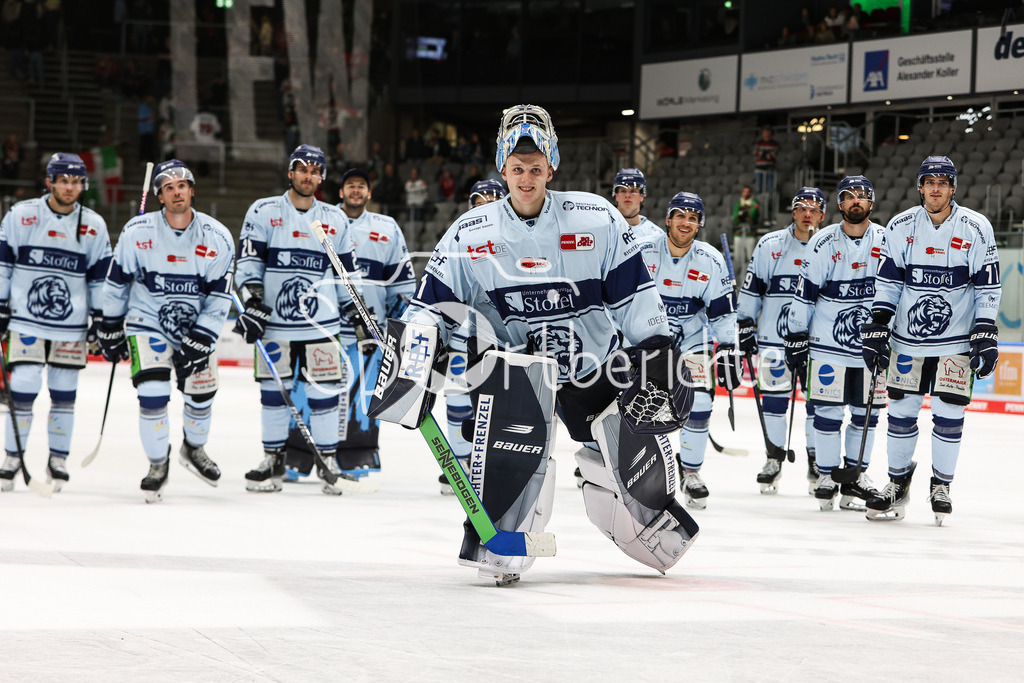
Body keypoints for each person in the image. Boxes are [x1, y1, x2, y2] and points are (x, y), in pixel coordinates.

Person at [370, 104, 698, 585]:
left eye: (536, 168)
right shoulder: (470, 233)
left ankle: (645, 519)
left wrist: (656, 353)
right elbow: (430, 307)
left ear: (552, 166)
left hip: (593, 366)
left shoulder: (597, 219)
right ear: (503, 167)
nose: (527, 178)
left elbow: (637, 297)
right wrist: (414, 354)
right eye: (518, 168)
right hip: (518, 373)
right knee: (505, 513)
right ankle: (504, 532)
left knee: (654, 533)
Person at [860, 156, 1001, 525]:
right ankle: (896, 483)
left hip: (955, 342)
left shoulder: (976, 226)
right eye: (929, 181)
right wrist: (878, 324)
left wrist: (985, 330)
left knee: (950, 413)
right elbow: (889, 282)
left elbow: (988, 283)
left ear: (953, 188)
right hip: (907, 342)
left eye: (943, 181)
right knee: (901, 413)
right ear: (920, 186)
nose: (936, 187)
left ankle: (941, 485)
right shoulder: (900, 225)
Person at [98, 159, 234, 502]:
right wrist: (110, 325)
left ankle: (194, 448)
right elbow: (116, 284)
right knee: (153, 393)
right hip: (148, 323)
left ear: (192, 190)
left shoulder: (217, 237)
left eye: (182, 185)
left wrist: (203, 336)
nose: (177, 192)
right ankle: (158, 464)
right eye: (169, 187)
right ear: (159, 195)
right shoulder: (136, 232)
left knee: (201, 395)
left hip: (196, 325)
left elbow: (220, 296)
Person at [234, 144, 362, 495]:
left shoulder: (334, 219)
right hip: (275, 326)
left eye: (315, 170)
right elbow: (247, 266)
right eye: (302, 169)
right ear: (290, 172)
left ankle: (327, 461)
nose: (309, 176)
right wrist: (253, 303)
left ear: (321, 177)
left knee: (325, 394)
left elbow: (345, 275)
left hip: (322, 326)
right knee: (273, 394)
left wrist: (355, 310)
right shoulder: (263, 211)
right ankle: (273, 459)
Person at [0, 154, 111, 492]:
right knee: (23, 388)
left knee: (64, 395)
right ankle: (12, 457)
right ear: (49, 181)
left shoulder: (93, 224)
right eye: (63, 180)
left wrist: (101, 317)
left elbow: (100, 279)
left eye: (76, 181)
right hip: (26, 321)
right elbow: (3, 263)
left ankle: (57, 459)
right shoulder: (22, 215)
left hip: (71, 326)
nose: (69, 187)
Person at [787, 176, 885, 511]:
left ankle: (856, 476)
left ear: (871, 203)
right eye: (848, 196)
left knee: (866, 415)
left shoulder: (887, 240)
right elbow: (805, 293)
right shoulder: (823, 242)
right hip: (827, 345)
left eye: (862, 196)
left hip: (871, 347)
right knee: (827, 413)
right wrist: (797, 334)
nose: (856, 201)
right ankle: (827, 475)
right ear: (839, 205)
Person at [649, 191, 739, 509]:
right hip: (646, 341)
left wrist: (729, 348)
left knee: (700, 400)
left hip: (692, 341)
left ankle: (691, 472)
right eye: (680, 215)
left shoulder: (711, 260)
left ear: (699, 225)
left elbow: (723, 313)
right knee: (636, 405)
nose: (686, 222)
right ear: (668, 219)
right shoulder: (643, 253)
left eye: (693, 218)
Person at [738, 186, 825, 495]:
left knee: (819, 405)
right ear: (792, 211)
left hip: (817, 344)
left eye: (813, 209)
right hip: (773, 340)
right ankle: (773, 457)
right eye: (801, 207)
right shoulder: (770, 244)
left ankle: (818, 463)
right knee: (774, 402)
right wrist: (745, 323)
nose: (807, 214)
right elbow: (751, 290)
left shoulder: (829, 246)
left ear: (822, 215)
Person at [334, 167, 416, 478]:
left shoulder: (387, 226)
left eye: (361, 186)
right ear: (340, 192)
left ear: (369, 193)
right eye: (350, 186)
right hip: (329, 326)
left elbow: (402, 281)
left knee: (366, 393)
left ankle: (360, 454)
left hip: (372, 329)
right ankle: (309, 452)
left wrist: (401, 316)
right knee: (322, 391)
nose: (355, 191)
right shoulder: (324, 221)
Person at [437, 178, 505, 496]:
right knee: (457, 399)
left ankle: (489, 466)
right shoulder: (457, 236)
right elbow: (440, 286)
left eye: (492, 200)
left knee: (494, 406)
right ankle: (459, 464)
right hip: (461, 336)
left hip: (502, 340)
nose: (485, 206)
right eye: (479, 201)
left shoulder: (515, 240)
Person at [610, 168, 663, 262]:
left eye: (633, 191)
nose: (627, 195)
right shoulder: (605, 227)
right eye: (623, 191)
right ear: (616, 196)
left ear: (642, 196)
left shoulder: (656, 234)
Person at [731, 185, 760, 286]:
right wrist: (740, 215)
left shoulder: (754, 202)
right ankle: (737, 280)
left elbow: (753, 214)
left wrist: (744, 213)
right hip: (739, 234)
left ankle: (751, 280)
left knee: (750, 258)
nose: (745, 194)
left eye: (747, 192)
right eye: (744, 192)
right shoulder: (739, 203)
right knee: (738, 258)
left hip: (750, 234)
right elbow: (735, 217)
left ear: (750, 193)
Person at [753, 126, 779, 205]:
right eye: (764, 132)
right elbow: (755, 153)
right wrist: (766, 153)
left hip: (770, 169)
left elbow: (773, 155)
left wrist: (763, 154)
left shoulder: (774, 144)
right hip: (759, 168)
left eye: (767, 131)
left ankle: (769, 206)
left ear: (771, 133)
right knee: (758, 189)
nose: (766, 133)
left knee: (770, 189)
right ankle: (758, 206)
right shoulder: (758, 143)